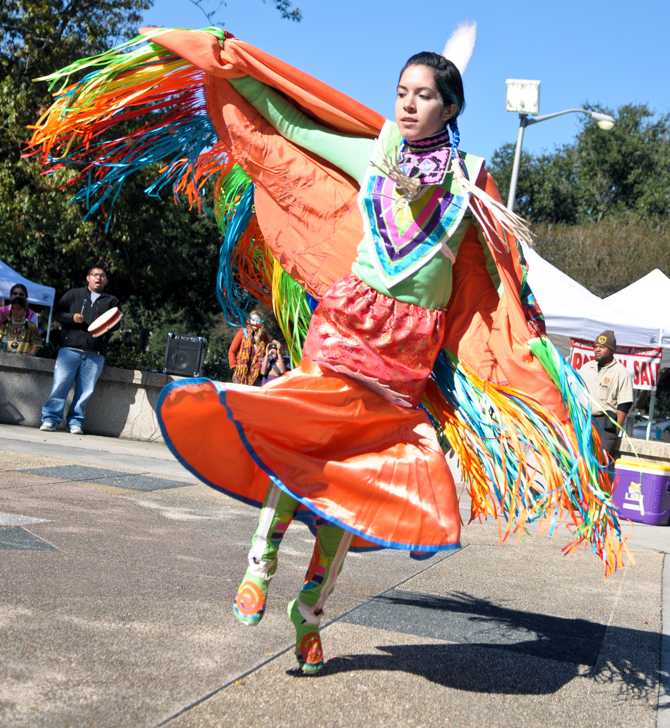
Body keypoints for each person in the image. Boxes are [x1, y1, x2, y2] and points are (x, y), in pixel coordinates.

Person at [30, 25, 624, 675]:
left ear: (449, 107)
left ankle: (309, 611)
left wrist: (526, 352)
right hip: (351, 322)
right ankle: (261, 557)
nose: (406, 104)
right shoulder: (373, 153)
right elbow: (289, 122)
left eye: (423, 95)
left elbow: (496, 280)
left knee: (354, 478)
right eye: (400, 92)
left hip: (408, 350)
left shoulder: (474, 179)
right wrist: (226, 62)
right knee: (303, 438)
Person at [40, 267, 119, 435]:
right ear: (88, 278)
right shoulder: (74, 294)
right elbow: (57, 313)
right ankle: (50, 419)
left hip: (95, 354)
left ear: (106, 281)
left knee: (85, 392)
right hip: (70, 350)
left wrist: (107, 324)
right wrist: (72, 318)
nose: (99, 278)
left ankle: (76, 422)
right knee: (60, 386)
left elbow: (116, 323)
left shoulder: (111, 301)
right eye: (95, 275)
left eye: (102, 276)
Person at [581, 330, 634, 460]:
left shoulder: (621, 373)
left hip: (604, 425)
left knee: (600, 465)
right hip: (583, 421)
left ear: (611, 350)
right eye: (595, 347)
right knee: (581, 462)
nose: (597, 350)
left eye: (602, 347)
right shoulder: (586, 368)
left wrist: (614, 432)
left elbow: (624, 405)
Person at [227, 310, 268, 385]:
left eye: (257, 320)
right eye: (253, 320)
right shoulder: (243, 332)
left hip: (255, 375)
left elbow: (266, 352)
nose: (255, 323)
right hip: (240, 374)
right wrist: (234, 366)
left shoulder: (264, 337)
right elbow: (231, 351)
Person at [0, 284, 42, 355]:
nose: (18, 296)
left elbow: (36, 344)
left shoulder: (32, 319)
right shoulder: (2, 313)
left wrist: (29, 357)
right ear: (10, 296)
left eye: (21, 294)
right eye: (15, 293)